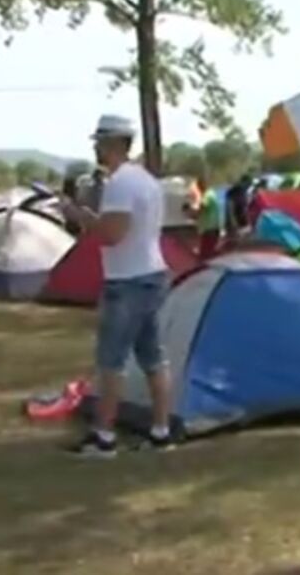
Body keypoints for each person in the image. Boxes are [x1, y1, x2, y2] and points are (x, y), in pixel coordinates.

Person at [59, 114, 173, 458]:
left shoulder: (120, 183)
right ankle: (161, 432)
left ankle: (104, 437)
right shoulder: (146, 180)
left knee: (111, 361)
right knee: (153, 358)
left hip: (128, 282)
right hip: (152, 273)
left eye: (99, 141)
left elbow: (112, 234)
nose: (95, 147)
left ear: (111, 143)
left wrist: (77, 215)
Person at [185, 176, 222, 260]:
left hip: (210, 229)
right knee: (208, 253)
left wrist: (191, 211)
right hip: (210, 228)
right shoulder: (209, 194)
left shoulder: (208, 195)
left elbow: (202, 207)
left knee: (206, 255)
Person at [224, 174, 253, 246]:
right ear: (244, 182)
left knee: (242, 240)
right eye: (248, 184)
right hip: (235, 222)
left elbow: (244, 207)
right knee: (234, 242)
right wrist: (233, 223)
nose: (249, 186)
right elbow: (230, 208)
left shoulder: (243, 192)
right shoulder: (235, 191)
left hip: (241, 221)